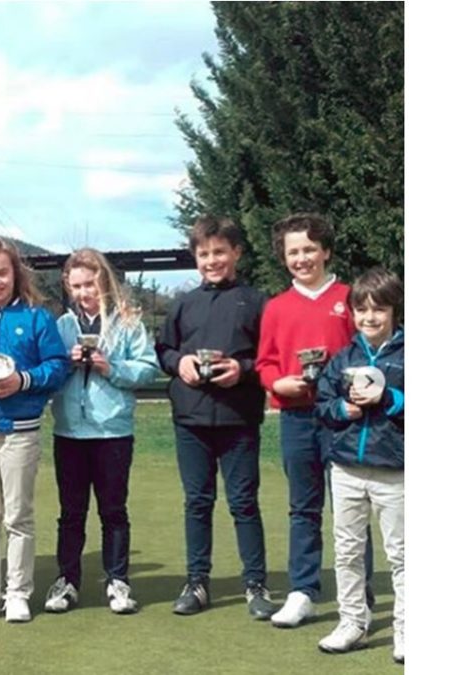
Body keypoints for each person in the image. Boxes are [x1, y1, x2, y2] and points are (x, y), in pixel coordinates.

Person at [155, 216, 278, 621]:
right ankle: (196, 583)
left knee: (244, 503)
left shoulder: (258, 302)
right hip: (190, 420)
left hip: (239, 418)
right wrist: (181, 362)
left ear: (236, 252)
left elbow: (270, 358)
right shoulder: (183, 303)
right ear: (195, 257)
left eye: (220, 252)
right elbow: (164, 350)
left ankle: (256, 585)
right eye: (204, 253)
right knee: (197, 502)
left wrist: (241, 370)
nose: (212, 260)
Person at [256, 212, 373, 628]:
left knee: (353, 507)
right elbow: (265, 362)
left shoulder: (349, 298)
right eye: (293, 252)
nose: (302, 258)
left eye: (309, 249)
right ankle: (303, 589)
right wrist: (277, 383)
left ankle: (360, 593)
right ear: (283, 257)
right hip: (296, 418)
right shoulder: (275, 307)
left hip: (346, 418)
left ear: (325, 251)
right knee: (303, 507)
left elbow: (366, 353)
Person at [0, 236, 70, 624]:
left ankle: (17, 593)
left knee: (17, 516)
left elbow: (57, 366)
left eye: (2, 273)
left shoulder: (37, 318)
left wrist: (22, 380)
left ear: (15, 274)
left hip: (21, 429)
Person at [44, 248, 159, 615]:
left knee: (113, 510)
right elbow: (48, 370)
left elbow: (148, 368)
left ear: (104, 281)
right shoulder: (60, 326)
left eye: (89, 283)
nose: (83, 292)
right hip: (69, 434)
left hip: (113, 433)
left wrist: (112, 367)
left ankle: (118, 580)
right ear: (67, 286)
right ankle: (67, 581)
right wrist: (67, 364)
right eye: (76, 286)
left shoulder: (127, 322)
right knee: (71, 513)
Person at [314, 268, 404, 662]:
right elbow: (322, 405)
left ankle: (407, 627)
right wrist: (341, 408)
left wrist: (388, 399)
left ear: (394, 311)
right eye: (362, 310)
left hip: (396, 472)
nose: (370, 317)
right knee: (347, 552)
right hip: (347, 468)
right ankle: (352, 620)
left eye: (379, 309)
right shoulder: (343, 357)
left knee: (402, 554)